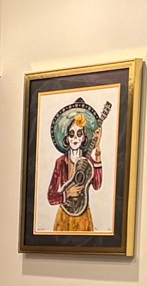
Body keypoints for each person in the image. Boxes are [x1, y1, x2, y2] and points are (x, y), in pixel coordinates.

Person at [45, 100, 106, 233]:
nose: (75, 138)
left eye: (79, 134)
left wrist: (97, 149)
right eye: (71, 134)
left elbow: (97, 185)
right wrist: (68, 193)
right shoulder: (61, 162)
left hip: (83, 214)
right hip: (64, 216)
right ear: (67, 138)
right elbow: (51, 197)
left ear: (84, 138)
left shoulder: (87, 161)